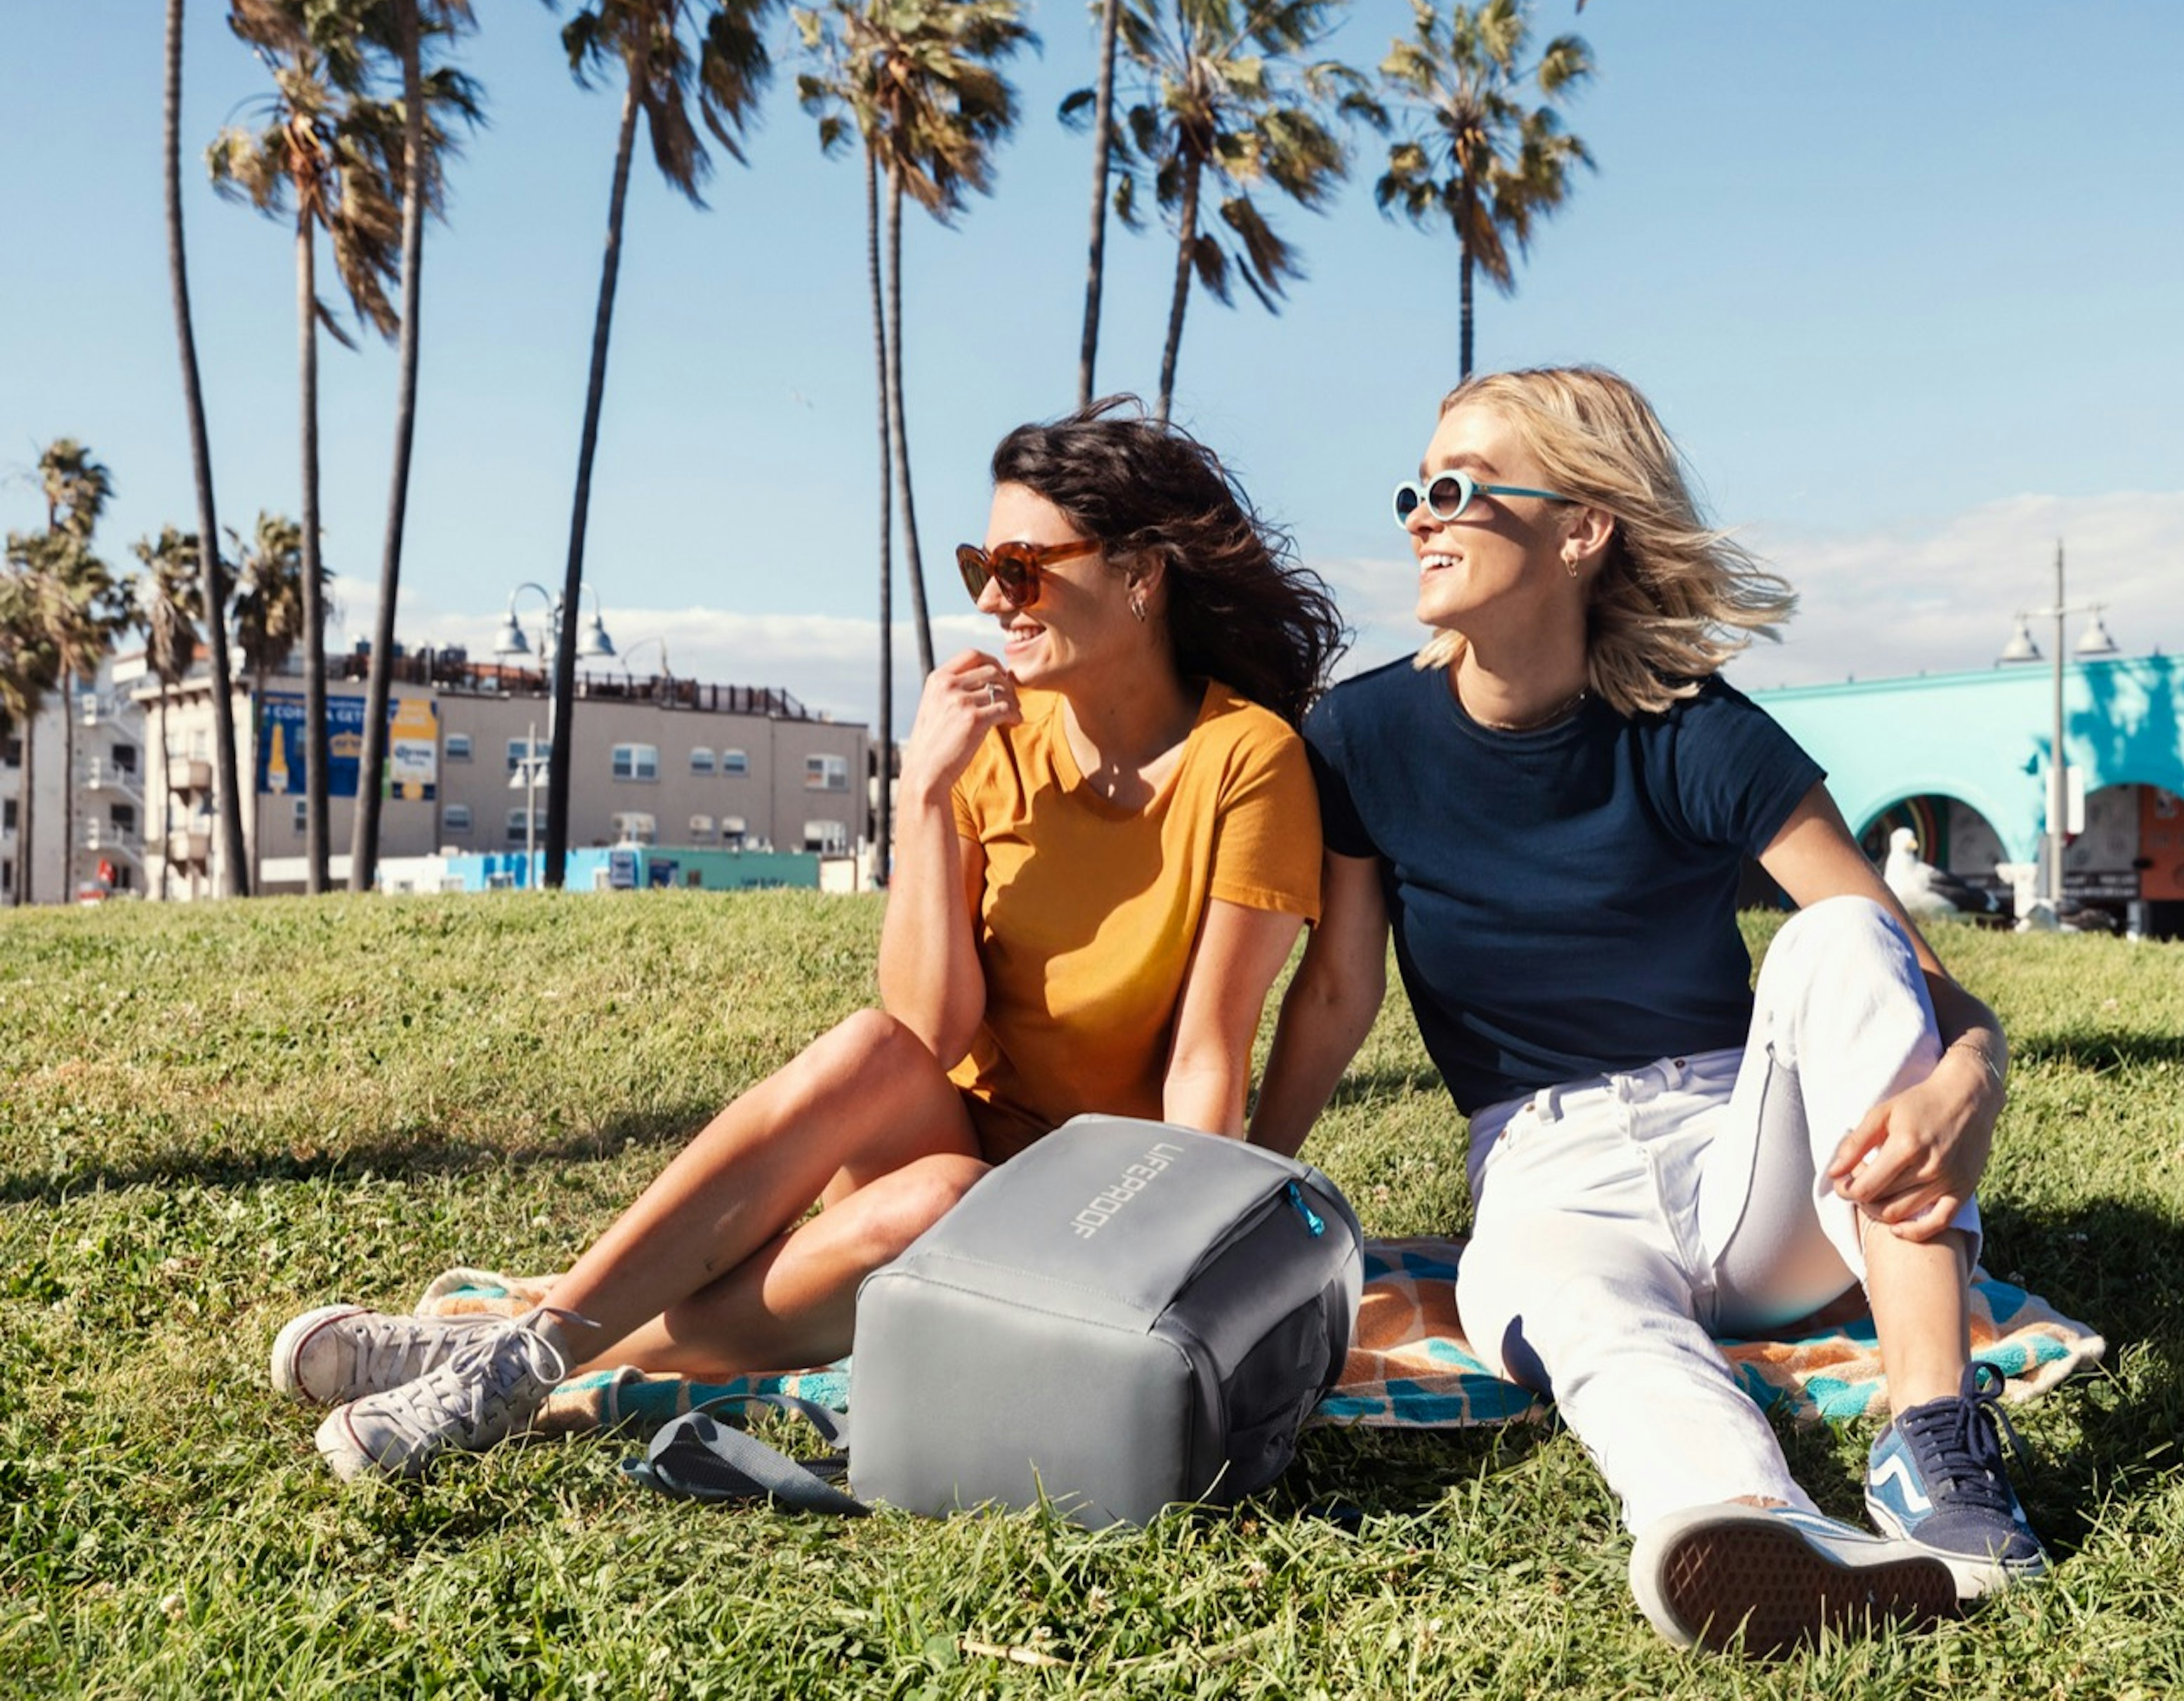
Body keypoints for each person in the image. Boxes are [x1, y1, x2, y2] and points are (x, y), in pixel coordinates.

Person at [272, 404, 1342, 1481]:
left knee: (939, 1200)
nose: (987, 599)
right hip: (944, 1150)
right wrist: (924, 795)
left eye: (1020, 567)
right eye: (982, 564)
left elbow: (1212, 1049)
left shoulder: (1244, 760)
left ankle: (520, 1350)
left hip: (1097, 1205)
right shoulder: (990, 745)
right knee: (875, 1052)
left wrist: (1174, 1269)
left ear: (1141, 574)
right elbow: (927, 1030)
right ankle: (528, 1352)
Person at [1254, 366, 2044, 1660]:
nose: (1420, 516)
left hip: (1758, 1169)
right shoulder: (1361, 736)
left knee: (1837, 931)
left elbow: (1902, 965)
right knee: (1593, 1323)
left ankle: (1934, 1443)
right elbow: (1339, 993)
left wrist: (1975, 1076)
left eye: (1458, 487)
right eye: (1416, 488)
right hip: (1546, 1179)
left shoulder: (1693, 729)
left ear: (1581, 528)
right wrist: (1239, 1176)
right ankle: (1741, 1520)